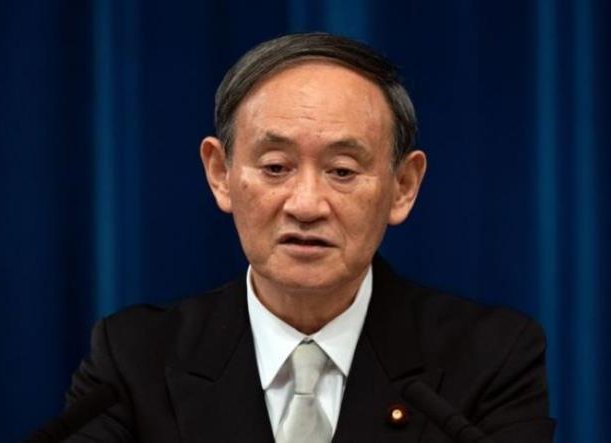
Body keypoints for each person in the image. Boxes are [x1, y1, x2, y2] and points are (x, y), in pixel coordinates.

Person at [63, 33, 554, 442]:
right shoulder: (134, 358)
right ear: (220, 174)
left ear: (403, 186)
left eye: (342, 171)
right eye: (276, 167)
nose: (306, 205)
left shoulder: (490, 358)